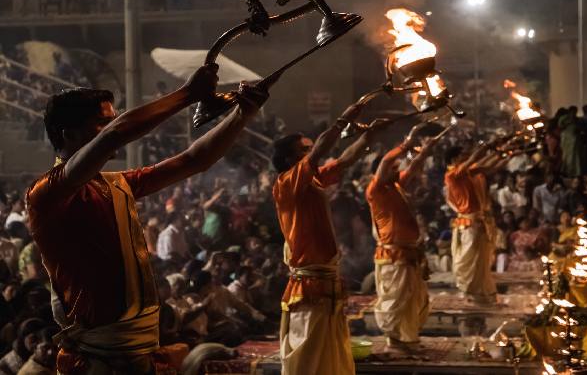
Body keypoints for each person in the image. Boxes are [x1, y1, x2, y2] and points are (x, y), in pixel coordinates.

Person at [26, 65, 268, 374]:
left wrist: (243, 114)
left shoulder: (116, 183)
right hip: (98, 359)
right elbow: (117, 134)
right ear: (69, 134)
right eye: (102, 122)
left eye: (112, 119)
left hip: (139, 350)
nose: (113, 126)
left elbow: (195, 160)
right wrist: (186, 96)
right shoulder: (46, 193)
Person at [271, 98, 382, 375]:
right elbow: (322, 148)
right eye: (304, 150)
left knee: (329, 355)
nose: (311, 152)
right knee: (308, 356)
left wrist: (369, 135)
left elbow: (345, 161)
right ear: (289, 160)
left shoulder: (314, 179)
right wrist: (344, 117)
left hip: (325, 279)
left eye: (310, 149)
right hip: (310, 283)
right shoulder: (287, 184)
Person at [366, 124, 443, 350]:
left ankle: (408, 339)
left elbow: (416, 166)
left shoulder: (396, 185)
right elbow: (384, 163)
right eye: (393, 168)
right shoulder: (375, 189)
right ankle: (396, 340)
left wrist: (427, 149)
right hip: (393, 254)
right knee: (396, 300)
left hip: (409, 254)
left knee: (413, 299)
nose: (397, 170)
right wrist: (406, 144)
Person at [445, 143, 507, 303]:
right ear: (455, 159)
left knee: (481, 260)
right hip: (468, 223)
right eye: (463, 154)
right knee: (469, 260)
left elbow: (488, 166)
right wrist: (489, 146)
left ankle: (481, 295)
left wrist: (505, 153)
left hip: (478, 221)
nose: (467, 156)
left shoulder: (468, 172)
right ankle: (470, 293)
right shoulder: (452, 175)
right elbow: (475, 159)